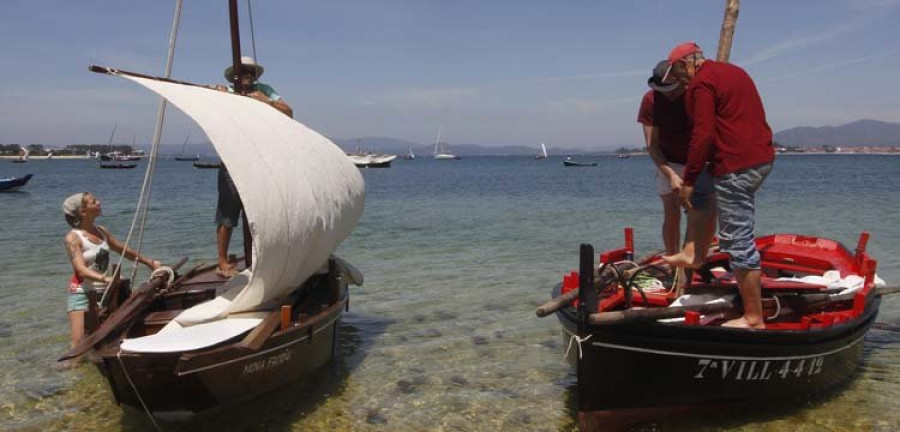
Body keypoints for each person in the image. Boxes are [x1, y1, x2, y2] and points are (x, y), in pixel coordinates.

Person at [662, 42, 775, 329]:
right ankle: (695, 252)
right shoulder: (732, 71)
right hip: (759, 158)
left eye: (677, 74)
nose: (679, 81)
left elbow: (703, 135)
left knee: (737, 239)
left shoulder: (701, 84)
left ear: (684, 65)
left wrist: (686, 180)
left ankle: (753, 318)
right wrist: (696, 180)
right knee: (703, 187)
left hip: (737, 167)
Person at [213, 56, 293, 278]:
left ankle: (261, 259)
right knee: (227, 213)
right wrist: (217, 97)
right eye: (243, 71)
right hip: (231, 160)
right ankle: (222, 262)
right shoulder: (225, 92)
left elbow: (289, 112)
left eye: (250, 72)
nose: (247, 76)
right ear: (235, 75)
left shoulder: (264, 90)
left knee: (260, 212)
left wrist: (266, 101)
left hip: (259, 160)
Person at [638, 60, 715, 272]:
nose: (668, 94)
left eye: (673, 89)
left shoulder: (697, 96)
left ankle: (691, 258)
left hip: (697, 161)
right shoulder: (650, 101)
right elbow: (652, 146)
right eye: (663, 90)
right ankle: (672, 261)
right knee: (671, 212)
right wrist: (671, 175)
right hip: (667, 160)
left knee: (696, 211)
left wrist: (694, 172)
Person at [62, 192, 161, 349]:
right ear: (82, 211)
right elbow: (81, 270)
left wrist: (150, 262)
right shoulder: (73, 238)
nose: (99, 202)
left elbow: (124, 250)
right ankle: (73, 372)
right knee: (79, 344)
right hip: (82, 292)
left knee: (108, 337)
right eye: (94, 201)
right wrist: (106, 279)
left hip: (106, 293)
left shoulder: (101, 231)